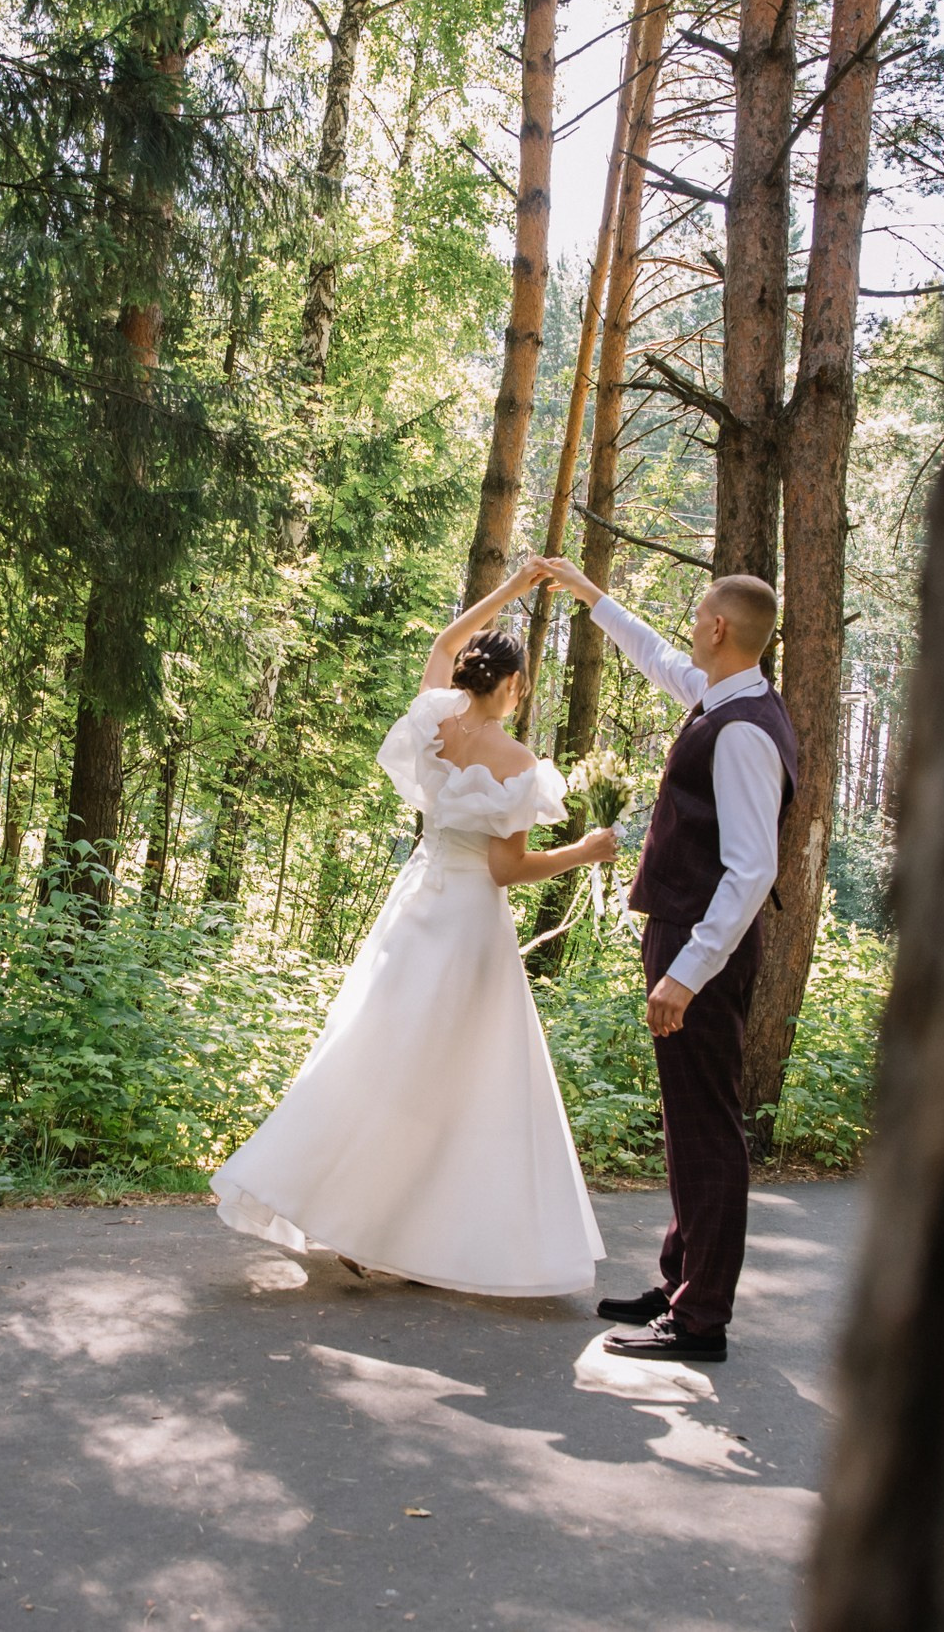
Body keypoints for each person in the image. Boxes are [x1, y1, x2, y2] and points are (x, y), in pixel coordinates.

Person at [210, 560, 620, 1295]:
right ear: (513, 686)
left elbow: (443, 636)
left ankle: (371, 1218)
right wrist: (583, 852)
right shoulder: (519, 763)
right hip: (468, 929)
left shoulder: (432, 719)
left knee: (383, 1056)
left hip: (414, 907)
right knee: (458, 1080)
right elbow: (507, 870)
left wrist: (512, 589)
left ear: (467, 673)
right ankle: (412, 1232)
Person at [537, 558, 798, 1363]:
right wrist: (592, 597)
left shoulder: (744, 730)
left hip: (701, 949)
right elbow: (659, 658)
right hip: (688, 937)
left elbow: (753, 869)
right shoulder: (728, 699)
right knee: (688, 1127)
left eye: (696, 614)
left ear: (720, 627)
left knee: (706, 1129)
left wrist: (687, 970)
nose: (689, 624)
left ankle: (700, 1320)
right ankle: (680, 1284)